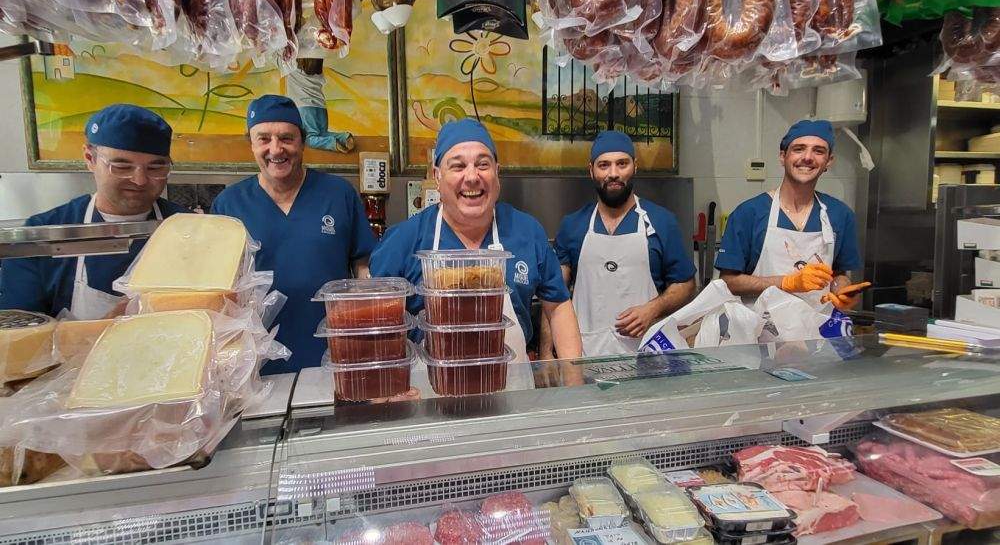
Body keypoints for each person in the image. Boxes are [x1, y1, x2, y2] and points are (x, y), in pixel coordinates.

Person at [369, 118, 583, 390]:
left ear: (497, 173)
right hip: (431, 395)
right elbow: (378, 328)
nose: (472, 177)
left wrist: (575, 384)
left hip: (512, 391)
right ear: (437, 176)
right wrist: (388, 392)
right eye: (457, 166)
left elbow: (558, 305)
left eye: (483, 164)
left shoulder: (527, 231)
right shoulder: (404, 240)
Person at [211, 94, 376, 374]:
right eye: (264, 139)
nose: (276, 149)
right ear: (251, 144)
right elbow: (218, 290)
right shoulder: (229, 204)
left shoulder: (338, 194)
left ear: (302, 142)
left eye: (286, 138)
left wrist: (371, 320)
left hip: (333, 351)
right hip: (256, 359)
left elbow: (362, 264)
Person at [0, 104, 186, 319]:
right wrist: (106, 329)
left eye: (155, 168)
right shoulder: (42, 236)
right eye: (122, 167)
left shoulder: (189, 228)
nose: (139, 180)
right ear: (90, 158)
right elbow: (20, 332)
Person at [551, 131, 696, 357]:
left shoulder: (662, 222)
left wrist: (653, 308)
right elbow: (553, 293)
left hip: (646, 355)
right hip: (584, 353)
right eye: (604, 165)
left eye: (622, 164)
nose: (613, 173)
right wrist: (547, 353)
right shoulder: (573, 225)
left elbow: (686, 284)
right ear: (591, 170)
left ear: (635, 166)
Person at [715, 119, 866, 309]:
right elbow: (728, 282)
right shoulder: (749, 214)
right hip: (760, 325)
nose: (808, 157)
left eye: (819, 151)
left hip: (816, 325)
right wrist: (786, 282)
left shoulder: (841, 215)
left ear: (829, 161)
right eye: (799, 149)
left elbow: (839, 274)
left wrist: (842, 290)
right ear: (782, 156)